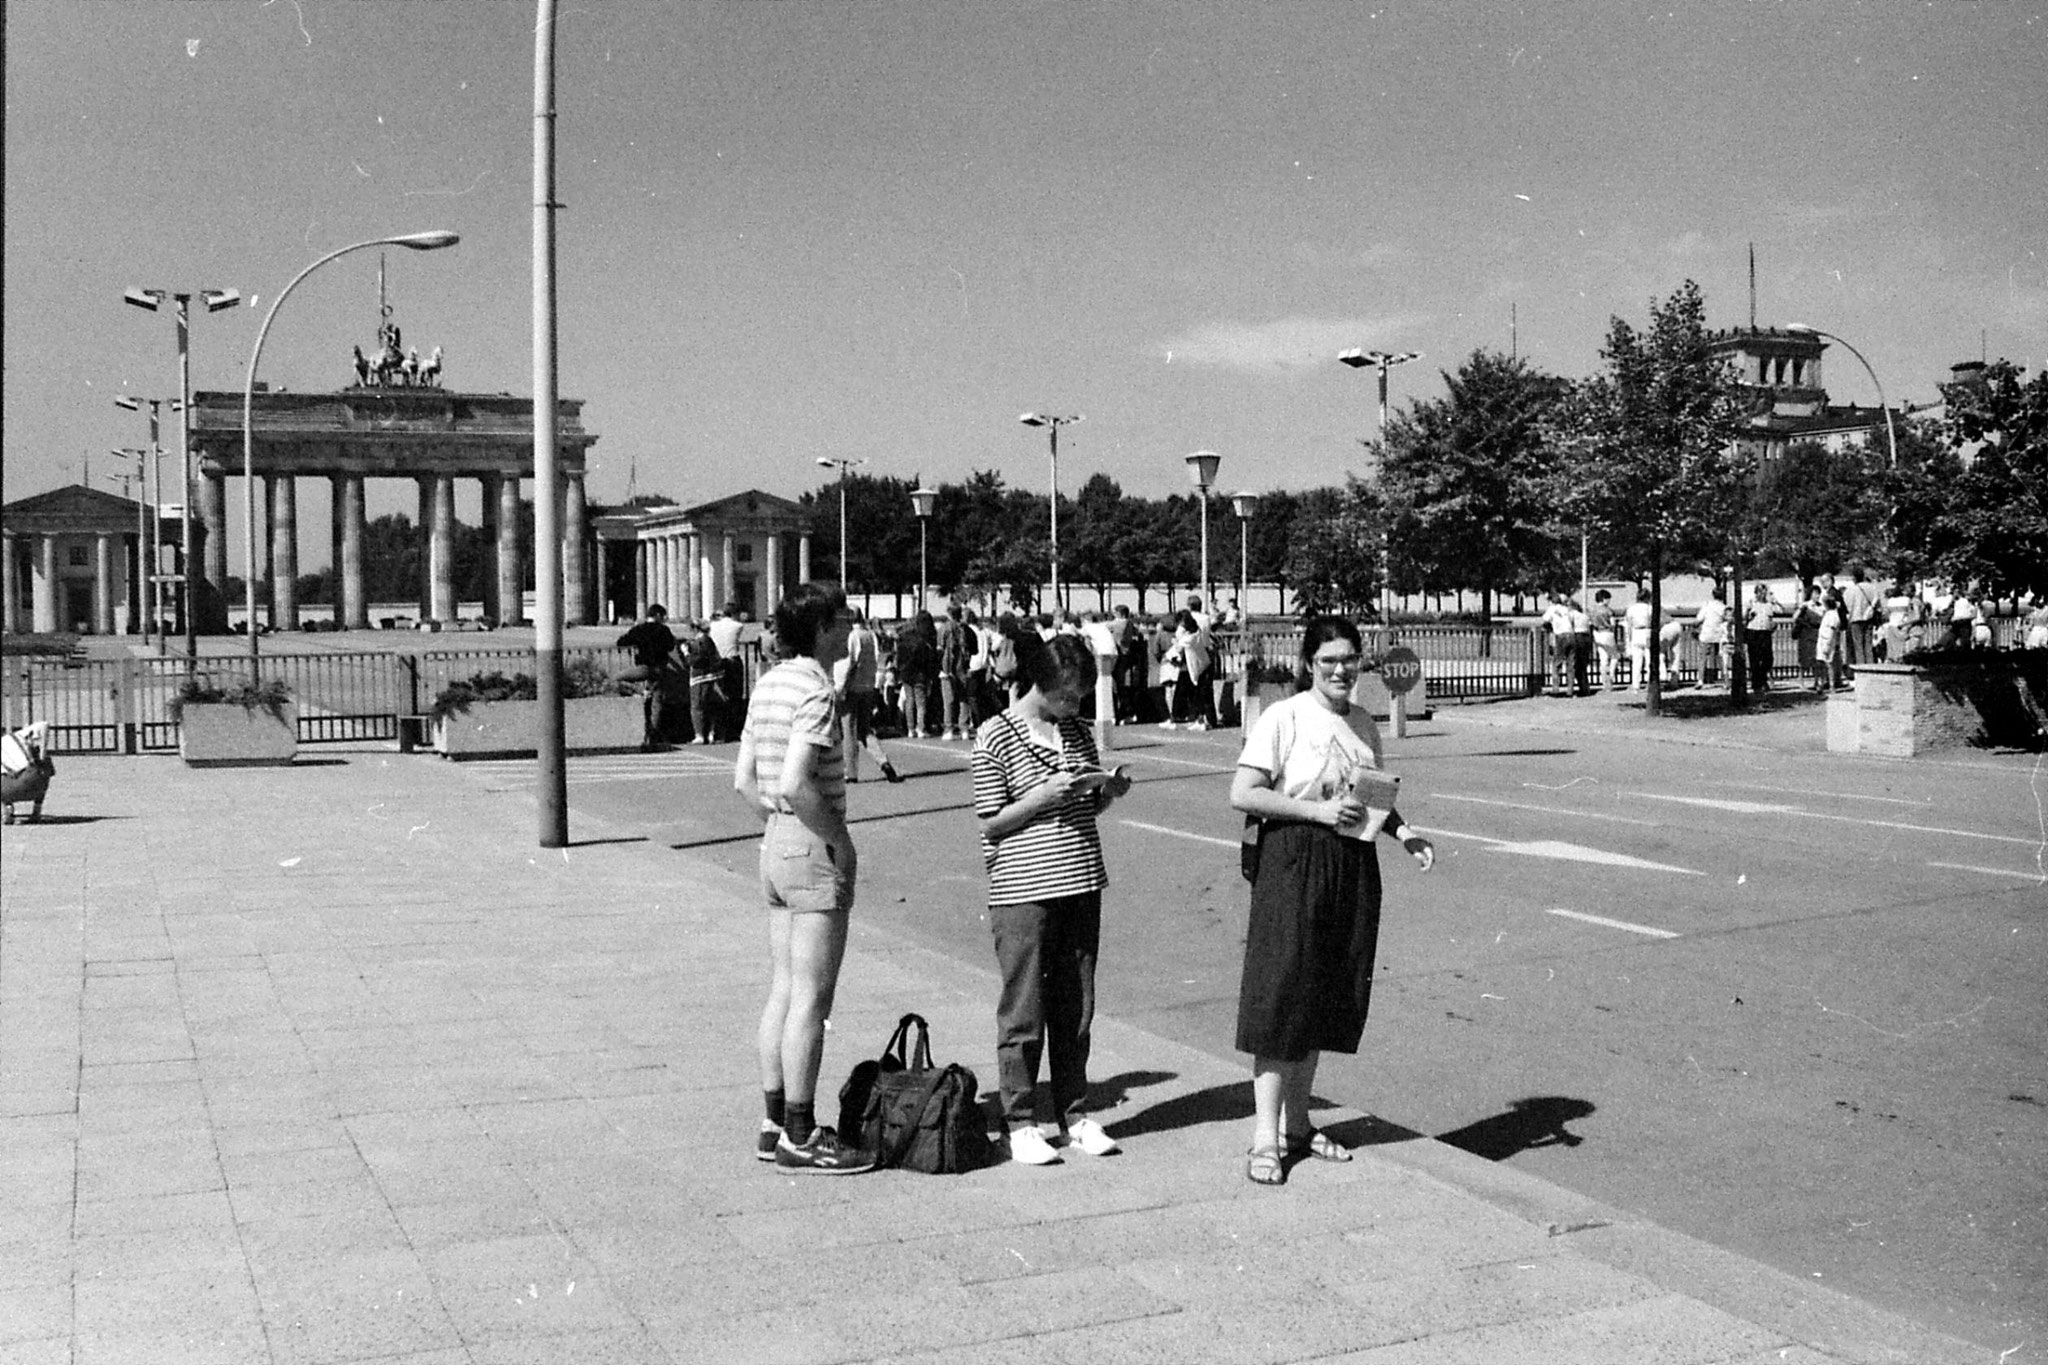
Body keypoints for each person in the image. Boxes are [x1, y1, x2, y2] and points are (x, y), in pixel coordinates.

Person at [1229, 617, 1433, 1187]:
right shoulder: (1284, 716)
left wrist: (1405, 832)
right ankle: (1264, 1137)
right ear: (1309, 664)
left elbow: (1371, 798)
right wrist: (1317, 813)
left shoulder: (1364, 724)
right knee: (1282, 992)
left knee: (1323, 992)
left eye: (1348, 660)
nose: (1340, 671)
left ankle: (1300, 1124)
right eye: (1327, 662)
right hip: (1293, 860)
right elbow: (1242, 791)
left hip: (1350, 861)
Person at [972, 626, 1134, 1165]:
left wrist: (1104, 791)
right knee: (1024, 1008)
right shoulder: (994, 734)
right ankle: (1020, 1120)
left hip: (1081, 880)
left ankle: (1076, 1112)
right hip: (1024, 887)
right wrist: (1044, 795)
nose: (1073, 705)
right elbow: (991, 824)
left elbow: (1085, 808)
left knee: (1075, 1008)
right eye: (1066, 695)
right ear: (1039, 683)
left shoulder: (1077, 732)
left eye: (1080, 697)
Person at [733, 582, 877, 1174]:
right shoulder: (816, 689)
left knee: (784, 988)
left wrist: (780, 826)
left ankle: (773, 1122)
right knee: (812, 999)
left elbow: (745, 780)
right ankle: (800, 1130)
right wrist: (835, 840)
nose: (849, 630)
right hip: (811, 837)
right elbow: (797, 781)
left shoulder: (767, 683)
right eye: (841, 619)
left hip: (773, 843)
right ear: (820, 628)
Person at [834, 608, 902, 783]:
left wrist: (840, 688)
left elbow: (850, 663)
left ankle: (851, 772)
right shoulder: (870, 635)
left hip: (852, 688)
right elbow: (874, 659)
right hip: (867, 687)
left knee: (848, 731)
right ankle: (884, 762)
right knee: (865, 730)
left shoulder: (852, 636)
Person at [615, 604, 680, 750]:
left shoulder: (639, 629)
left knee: (618, 678)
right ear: (658, 615)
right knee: (657, 703)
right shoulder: (663, 630)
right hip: (659, 669)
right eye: (663, 617)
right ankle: (653, 735)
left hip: (643, 668)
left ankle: (639, 691)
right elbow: (670, 646)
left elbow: (621, 642)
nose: (664, 620)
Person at [895, 611, 941, 738]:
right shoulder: (925, 639)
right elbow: (927, 659)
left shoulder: (904, 638)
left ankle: (910, 729)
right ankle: (920, 728)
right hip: (920, 674)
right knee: (921, 702)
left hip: (906, 673)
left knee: (909, 701)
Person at [1843, 565, 1880, 668]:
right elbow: (1877, 603)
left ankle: (1861, 668)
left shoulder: (1850, 590)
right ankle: (1871, 666)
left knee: (1858, 646)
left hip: (1855, 618)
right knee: (1868, 644)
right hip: (1869, 618)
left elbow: (1847, 605)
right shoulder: (1872, 588)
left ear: (1854, 578)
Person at [1744, 584, 1778, 692]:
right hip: (1753, 631)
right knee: (1754, 658)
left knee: (1768, 658)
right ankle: (1757, 683)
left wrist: (1774, 601)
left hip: (1765, 632)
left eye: (1764, 592)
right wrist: (1748, 614)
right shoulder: (1751, 603)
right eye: (1759, 592)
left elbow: (1780, 611)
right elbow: (1744, 618)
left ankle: (1762, 678)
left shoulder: (1769, 604)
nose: (1762, 594)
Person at [1695, 588, 1730, 687]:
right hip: (1719, 635)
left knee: (1702, 658)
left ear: (1713, 595)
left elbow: (1699, 620)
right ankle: (1726, 681)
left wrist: (1695, 627)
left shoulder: (1707, 605)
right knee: (1721, 659)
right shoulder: (1724, 608)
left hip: (1706, 634)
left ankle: (1700, 680)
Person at [1589, 590, 1620, 689]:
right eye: (1608, 599)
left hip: (1597, 634)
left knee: (1603, 658)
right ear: (1604, 599)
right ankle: (1611, 676)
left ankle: (1604, 681)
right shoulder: (1608, 610)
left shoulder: (1592, 610)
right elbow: (1613, 624)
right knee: (1615, 656)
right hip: (1607, 633)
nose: (1609, 601)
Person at [1623, 596, 1655, 691]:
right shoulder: (1649, 608)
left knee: (1636, 662)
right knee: (1649, 660)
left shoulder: (1631, 608)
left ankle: (1635, 685)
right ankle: (1650, 683)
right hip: (1647, 631)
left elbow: (1628, 624)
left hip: (1636, 632)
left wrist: (1629, 640)